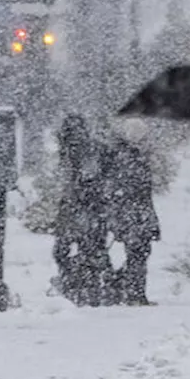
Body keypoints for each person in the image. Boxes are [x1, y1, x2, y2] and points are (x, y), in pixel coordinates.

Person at [53, 114, 113, 306]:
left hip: (83, 208)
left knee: (81, 250)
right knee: (90, 250)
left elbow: (88, 179)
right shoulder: (78, 149)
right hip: (86, 208)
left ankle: (82, 288)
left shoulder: (85, 150)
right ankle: (85, 288)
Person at [101, 119, 161, 305]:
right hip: (133, 215)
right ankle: (133, 293)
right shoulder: (131, 157)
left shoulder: (121, 155)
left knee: (137, 253)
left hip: (131, 214)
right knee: (138, 254)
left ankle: (125, 290)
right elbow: (137, 190)